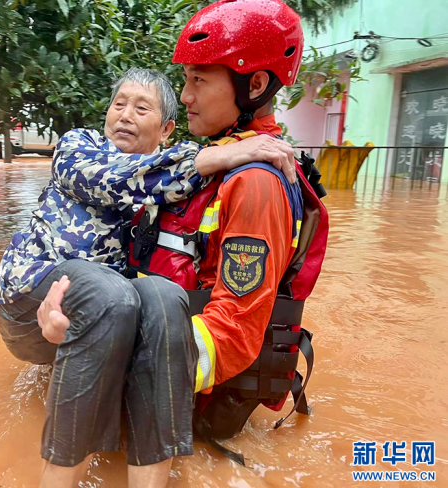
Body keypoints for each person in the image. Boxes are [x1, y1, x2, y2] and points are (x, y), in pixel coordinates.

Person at [38, 0, 329, 481]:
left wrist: (118, 355)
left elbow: (233, 335)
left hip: (185, 387)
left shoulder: (255, 182)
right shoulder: (205, 160)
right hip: (151, 348)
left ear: (254, 85)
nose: (186, 95)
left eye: (199, 80)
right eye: (186, 80)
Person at [0, 67, 297, 487]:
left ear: (167, 129)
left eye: (141, 108)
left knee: (159, 294)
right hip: (29, 300)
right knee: (110, 293)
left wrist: (152, 353)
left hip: (96, 313)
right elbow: (117, 178)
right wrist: (213, 156)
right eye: (118, 105)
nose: (125, 116)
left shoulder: (186, 183)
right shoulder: (79, 147)